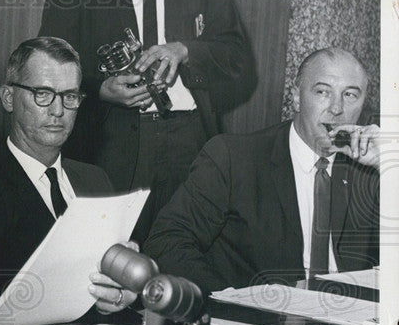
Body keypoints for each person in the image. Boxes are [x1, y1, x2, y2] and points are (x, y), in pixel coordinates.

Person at [38, 0, 255, 243]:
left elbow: (237, 57)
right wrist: (100, 89)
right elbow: (48, 66)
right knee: (112, 256)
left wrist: (185, 50)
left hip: (191, 139)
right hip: (111, 142)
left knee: (186, 253)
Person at [143, 47, 380, 294]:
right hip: (261, 319)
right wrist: (230, 302)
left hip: (349, 317)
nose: (336, 108)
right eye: (322, 92)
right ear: (296, 98)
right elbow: (166, 242)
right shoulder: (234, 158)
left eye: (350, 95)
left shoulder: (369, 170)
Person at [0, 36, 141, 315]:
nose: (58, 110)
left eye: (69, 96)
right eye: (42, 93)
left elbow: (111, 289)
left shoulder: (95, 180)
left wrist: (119, 294)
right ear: (8, 98)